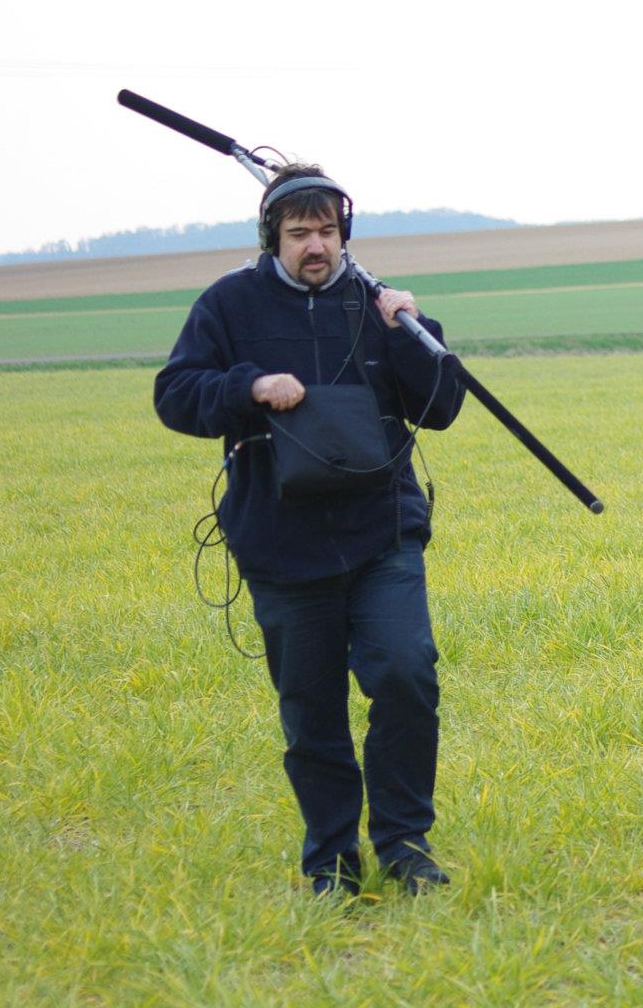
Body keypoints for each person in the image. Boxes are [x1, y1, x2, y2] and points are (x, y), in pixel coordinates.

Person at [154, 165, 466, 896]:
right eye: (300, 233)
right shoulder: (229, 303)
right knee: (312, 709)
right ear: (273, 238)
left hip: (383, 532)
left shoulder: (379, 305)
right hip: (282, 545)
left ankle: (405, 845)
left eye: (327, 231)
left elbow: (443, 408)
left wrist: (412, 331)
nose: (316, 246)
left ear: (344, 234)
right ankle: (332, 860)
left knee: (406, 674)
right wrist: (249, 385)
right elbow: (174, 393)